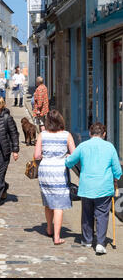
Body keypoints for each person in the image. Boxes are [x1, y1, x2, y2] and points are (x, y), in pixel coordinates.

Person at [65, 122, 122, 255]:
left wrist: (67, 158)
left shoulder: (83, 146)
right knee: (102, 215)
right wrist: (116, 178)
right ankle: (101, 243)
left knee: (87, 213)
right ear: (104, 134)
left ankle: (87, 240)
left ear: (90, 133)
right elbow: (117, 170)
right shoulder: (109, 147)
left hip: (87, 187)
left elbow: (70, 162)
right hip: (104, 187)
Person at [34, 109, 76, 245]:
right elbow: (74, 155)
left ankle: (49, 228)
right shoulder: (67, 135)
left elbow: (37, 156)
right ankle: (57, 237)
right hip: (60, 172)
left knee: (48, 201)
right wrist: (66, 156)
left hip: (45, 171)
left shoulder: (42, 135)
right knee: (59, 205)